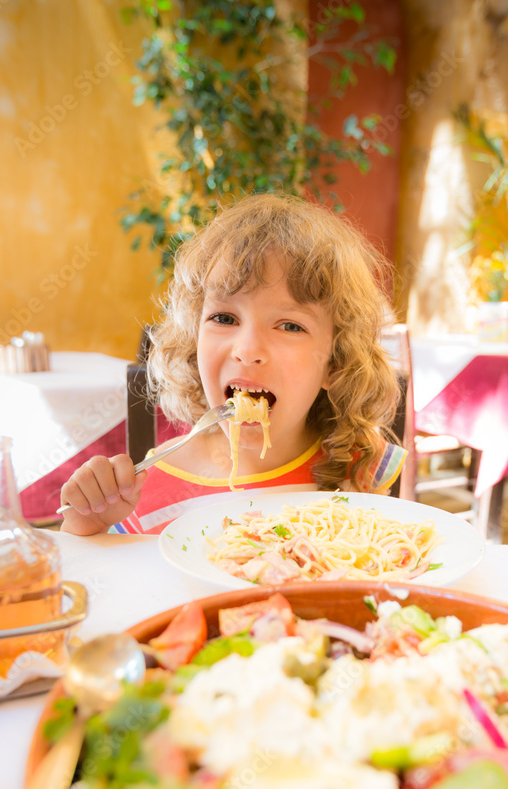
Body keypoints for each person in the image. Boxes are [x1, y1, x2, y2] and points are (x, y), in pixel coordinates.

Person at [60, 193, 407, 536]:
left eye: (290, 325)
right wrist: (87, 527)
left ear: (335, 365)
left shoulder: (360, 465)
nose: (248, 350)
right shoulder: (149, 489)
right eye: (224, 317)